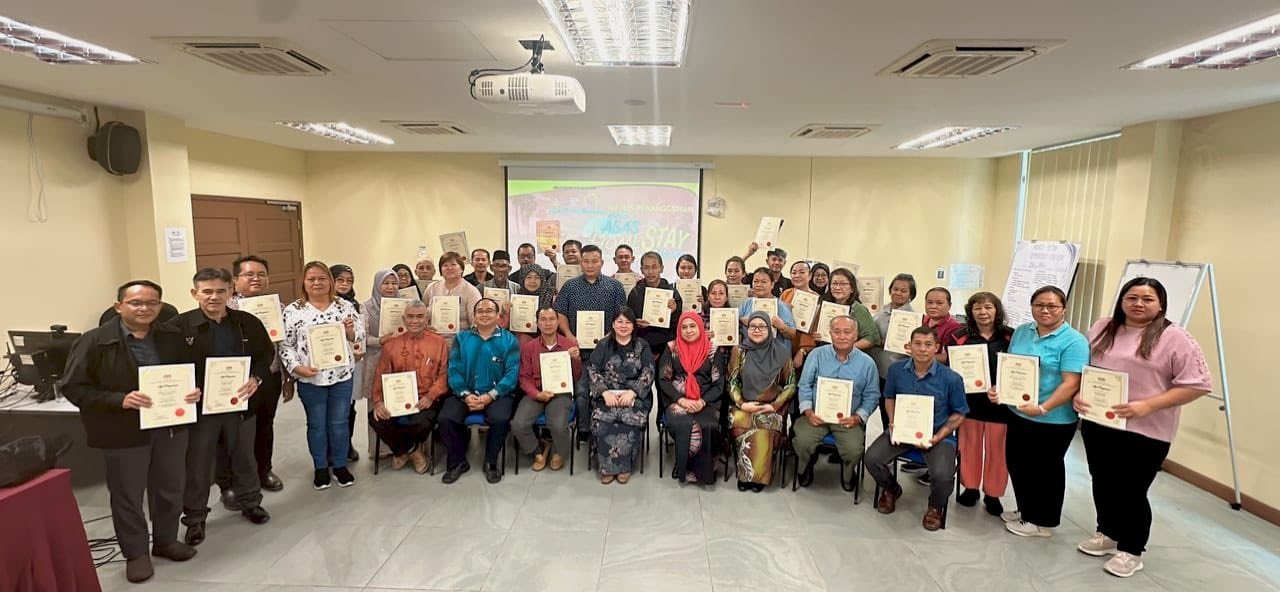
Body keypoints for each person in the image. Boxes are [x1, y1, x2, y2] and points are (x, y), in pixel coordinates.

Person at [60, 280, 200, 583]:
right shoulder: (94, 341)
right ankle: (136, 554)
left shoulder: (171, 336)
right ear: (118, 306)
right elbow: (72, 387)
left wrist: (193, 390)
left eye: (152, 303)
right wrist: (119, 400)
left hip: (170, 425)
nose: (144, 308)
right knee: (128, 494)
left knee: (170, 487)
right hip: (122, 430)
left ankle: (165, 540)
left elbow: (189, 372)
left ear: (161, 306)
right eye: (136, 302)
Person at [1074, 278, 1211, 578]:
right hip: (1100, 421)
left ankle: (1132, 549)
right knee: (1103, 481)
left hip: (1146, 429)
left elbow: (1198, 385)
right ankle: (1108, 532)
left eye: (1147, 299)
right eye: (1132, 297)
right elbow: (1087, 369)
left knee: (1132, 489)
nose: (1138, 303)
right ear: (1122, 300)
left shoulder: (1175, 337)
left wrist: (1147, 405)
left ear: (1161, 304)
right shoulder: (1102, 327)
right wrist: (1078, 394)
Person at [171, 268, 273, 547]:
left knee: (244, 456)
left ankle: (251, 502)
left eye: (220, 291)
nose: (214, 297)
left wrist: (256, 378)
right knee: (198, 464)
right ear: (195, 293)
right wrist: (186, 388)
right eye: (207, 291)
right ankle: (195, 518)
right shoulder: (178, 327)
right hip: (201, 410)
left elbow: (265, 354)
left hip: (239, 404)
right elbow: (168, 363)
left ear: (231, 292)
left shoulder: (247, 323)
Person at [993, 285, 1089, 538]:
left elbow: (1071, 383)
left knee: (1045, 470)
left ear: (1063, 309)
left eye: (1052, 306)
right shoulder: (1023, 331)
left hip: (1053, 418)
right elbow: (1012, 368)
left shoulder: (1074, 341)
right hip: (1019, 412)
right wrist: (1000, 389)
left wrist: (1044, 407)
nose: (1045, 310)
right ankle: (1026, 510)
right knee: (1018, 463)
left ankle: (1042, 521)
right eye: (1039, 305)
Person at [867, 326, 968, 531]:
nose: (922, 349)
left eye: (928, 344)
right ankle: (892, 489)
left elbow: (959, 413)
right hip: (902, 430)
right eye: (918, 344)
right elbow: (889, 397)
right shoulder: (896, 370)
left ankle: (935, 506)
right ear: (909, 346)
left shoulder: (952, 378)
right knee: (871, 459)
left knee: (943, 476)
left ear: (936, 347)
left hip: (937, 436)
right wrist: (893, 422)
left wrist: (938, 436)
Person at [280, 261, 365, 491]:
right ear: (304, 283)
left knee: (339, 422)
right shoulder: (293, 311)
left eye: (322, 278)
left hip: (341, 375)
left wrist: (351, 333)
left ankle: (340, 465)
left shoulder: (344, 306)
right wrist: (297, 368)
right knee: (317, 424)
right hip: (310, 378)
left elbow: (359, 335)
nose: (317, 283)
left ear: (330, 281)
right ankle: (320, 467)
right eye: (311, 279)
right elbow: (285, 345)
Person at [219, 255, 290, 501]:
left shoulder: (279, 307)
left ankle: (263, 470)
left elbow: (284, 345)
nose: (256, 279)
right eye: (249, 275)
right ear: (235, 279)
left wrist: (287, 378)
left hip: (269, 376)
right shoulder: (224, 307)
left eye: (261, 274)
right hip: (235, 381)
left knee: (265, 425)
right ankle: (229, 481)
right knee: (231, 432)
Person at [944, 292, 1014, 516]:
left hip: (1001, 405)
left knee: (998, 451)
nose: (983, 312)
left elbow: (1018, 368)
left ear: (997, 310)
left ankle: (993, 494)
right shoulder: (959, 336)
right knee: (969, 447)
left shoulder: (1011, 337)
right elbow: (950, 369)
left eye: (988, 307)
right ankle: (971, 488)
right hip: (969, 403)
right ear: (970, 312)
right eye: (977, 308)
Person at [439, 298, 521, 484]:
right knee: (446, 418)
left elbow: (511, 374)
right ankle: (458, 461)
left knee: (500, 419)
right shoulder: (462, 338)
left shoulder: (509, 340)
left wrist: (490, 395)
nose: (484, 314)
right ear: (474, 316)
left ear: (498, 316)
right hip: (465, 392)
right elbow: (454, 369)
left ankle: (491, 462)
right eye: (480, 311)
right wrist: (466, 394)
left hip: (497, 394)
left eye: (489, 311)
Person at [794, 316, 880, 486]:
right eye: (837, 331)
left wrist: (858, 417)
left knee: (853, 450)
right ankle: (804, 466)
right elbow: (804, 385)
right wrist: (808, 411)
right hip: (816, 416)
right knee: (802, 441)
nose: (841, 336)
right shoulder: (816, 355)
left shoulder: (867, 363)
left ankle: (848, 473)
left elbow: (872, 395)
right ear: (830, 333)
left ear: (856, 335)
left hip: (848, 420)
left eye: (847, 332)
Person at [369, 300, 450, 474]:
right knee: (376, 418)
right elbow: (381, 374)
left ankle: (401, 450)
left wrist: (430, 396)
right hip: (397, 399)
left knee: (421, 421)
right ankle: (412, 451)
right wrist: (378, 401)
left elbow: (443, 375)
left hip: (427, 398)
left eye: (420, 317)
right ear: (404, 320)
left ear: (427, 319)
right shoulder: (391, 344)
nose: (415, 321)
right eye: (410, 317)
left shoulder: (439, 343)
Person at [553, 244, 628, 431]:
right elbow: (560, 312)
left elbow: (622, 316)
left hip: (609, 350)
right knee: (581, 392)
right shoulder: (570, 286)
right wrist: (569, 335)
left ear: (601, 262)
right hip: (580, 351)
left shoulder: (615, 287)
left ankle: (606, 429)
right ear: (580, 262)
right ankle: (584, 431)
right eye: (586, 261)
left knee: (609, 391)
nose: (590, 265)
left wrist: (609, 337)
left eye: (594, 261)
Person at [727, 311, 796, 490]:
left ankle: (758, 477)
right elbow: (732, 381)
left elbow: (790, 385)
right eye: (753, 326)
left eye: (762, 327)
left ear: (770, 329)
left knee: (764, 425)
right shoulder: (740, 350)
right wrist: (742, 403)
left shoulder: (782, 353)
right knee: (739, 423)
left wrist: (774, 406)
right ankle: (745, 475)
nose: (757, 330)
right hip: (744, 404)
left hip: (771, 407)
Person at [587, 308, 654, 484]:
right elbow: (593, 369)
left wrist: (633, 392)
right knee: (602, 418)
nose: (623, 326)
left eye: (628, 322)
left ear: (633, 326)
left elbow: (648, 371)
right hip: (607, 394)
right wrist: (604, 392)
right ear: (613, 324)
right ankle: (606, 467)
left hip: (634, 396)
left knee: (629, 418)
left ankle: (624, 466)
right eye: (620, 322)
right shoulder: (603, 345)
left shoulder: (642, 346)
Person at [658, 312, 725, 485]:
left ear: (701, 327)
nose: (688, 331)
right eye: (684, 327)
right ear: (679, 330)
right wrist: (681, 400)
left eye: (693, 326)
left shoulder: (712, 350)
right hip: (678, 400)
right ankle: (683, 466)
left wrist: (702, 401)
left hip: (706, 400)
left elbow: (719, 383)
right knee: (682, 422)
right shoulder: (671, 348)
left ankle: (704, 471)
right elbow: (663, 380)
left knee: (707, 425)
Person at [513, 307, 581, 471]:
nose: (548, 323)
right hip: (536, 392)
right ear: (537, 323)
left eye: (552, 319)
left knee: (557, 425)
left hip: (561, 393)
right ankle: (537, 449)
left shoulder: (569, 345)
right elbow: (524, 377)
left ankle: (559, 451)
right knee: (518, 424)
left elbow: (577, 376)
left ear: (558, 322)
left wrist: (576, 359)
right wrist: (537, 394)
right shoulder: (529, 347)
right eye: (543, 319)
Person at [869, 273, 917, 429]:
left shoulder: (913, 318)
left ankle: (893, 439)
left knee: (893, 413)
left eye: (904, 291)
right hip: (877, 369)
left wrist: (880, 341)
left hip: (895, 371)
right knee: (881, 407)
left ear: (911, 295)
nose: (898, 293)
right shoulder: (882, 310)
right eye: (895, 289)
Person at [362, 269, 401, 457]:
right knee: (375, 405)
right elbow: (362, 338)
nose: (390, 287)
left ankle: (400, 446)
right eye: (386, 283)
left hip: (399, 360)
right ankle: (378, 449)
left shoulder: (404, 304)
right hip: (376, 359)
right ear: (377, 285)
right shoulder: (366, 307)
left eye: (394, 283)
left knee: (399, 401)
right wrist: (380, 340)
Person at [331, 264, 362, 463]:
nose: (344, 284)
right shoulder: (319, 304)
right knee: (328, 411)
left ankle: (346, 445)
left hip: (349, 364)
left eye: (349, 281)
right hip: (325, 364)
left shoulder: (354, 305)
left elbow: (359, 334)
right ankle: (329, 450)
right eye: (340, 280)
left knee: (348, 407)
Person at [629, 251, 682, 360]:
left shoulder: (671, 293)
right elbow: (628, 319)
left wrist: (674, 311)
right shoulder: (635, 293)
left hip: (666, 346)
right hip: (642, 345)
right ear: (641, 270)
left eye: (654, 267)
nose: (650, 272)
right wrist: (635, 322)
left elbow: (679, 323)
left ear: (661, 268)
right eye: (646, 268)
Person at [424, 251, 483, 344]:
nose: (449, 268)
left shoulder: (471, 291)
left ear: (461, 269)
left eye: (453, 264)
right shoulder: (431, 288)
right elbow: (421, 314)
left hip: (460, 343)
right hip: (432, 341)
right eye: (445, 265)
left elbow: (476, 323)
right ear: (440, 270)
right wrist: (425, 326)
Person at [819, 268, 880, 352]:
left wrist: (847, 348)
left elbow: (872, 338)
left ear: (852, 288)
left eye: (843, 284)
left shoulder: (859, 309)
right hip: (825, 351)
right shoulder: (825, 307)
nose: (837, 287)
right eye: (834, 283)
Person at [737, 267, 796, 344]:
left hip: (774, 349)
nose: (759, 285)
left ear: (772, 284)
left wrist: (783, 327)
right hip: (750, 349)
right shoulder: (747, 303)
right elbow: (735, 320)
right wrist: (741, 319)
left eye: (764, 282)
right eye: (755, 281)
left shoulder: (780, 305)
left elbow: (793, 334)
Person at [781, 261, 820, 370]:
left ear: (810, 276)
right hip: (784, 343)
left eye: (802, 272)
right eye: (794, 273)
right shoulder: (786, 294)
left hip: (802, 348)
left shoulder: (815, 298)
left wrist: (802, 350)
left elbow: (814, 327)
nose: (797, 275)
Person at [923, 287, 963, 359]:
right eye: (930, 302)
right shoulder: (920, 321)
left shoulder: (955, 328)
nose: (933, 306)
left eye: (939, 303)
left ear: (949, 305)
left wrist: (921, 358)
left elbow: (950, 357)